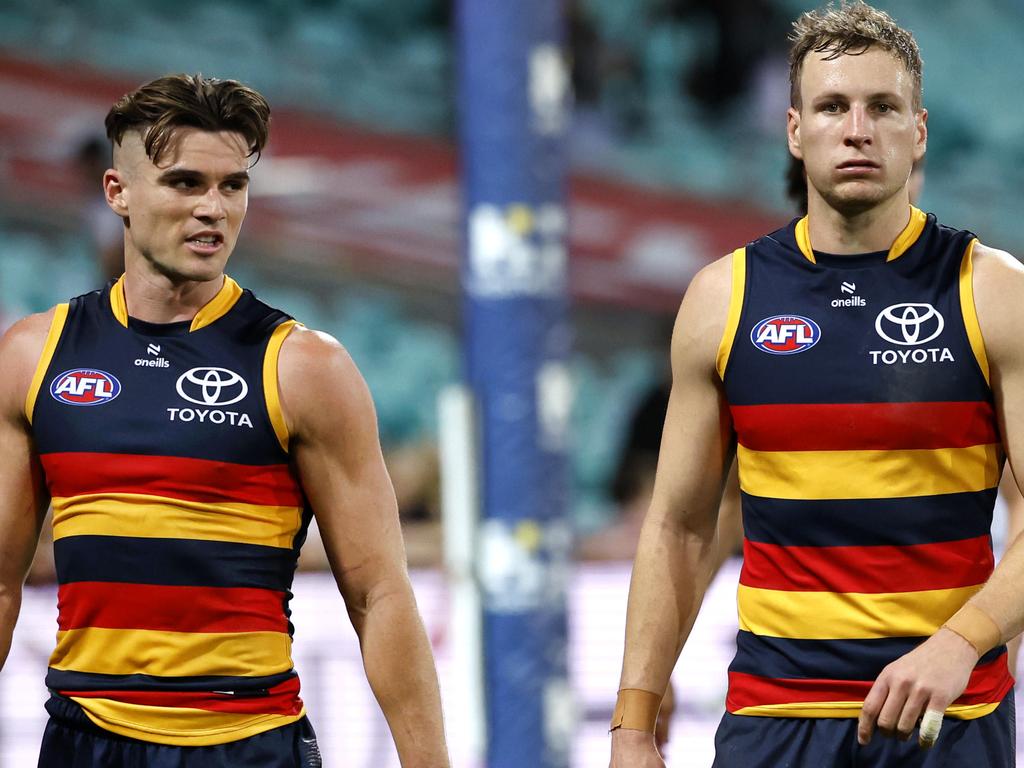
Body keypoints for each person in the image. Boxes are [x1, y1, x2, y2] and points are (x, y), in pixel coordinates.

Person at [609, 3, 1024, 766]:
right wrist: (633, 722)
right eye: (833, 107)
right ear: (796, 131)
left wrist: (961, 643)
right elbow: (678, 526)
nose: (857, 129)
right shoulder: (722, 301)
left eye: (883, 108)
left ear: (919, 130)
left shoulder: (992, 293)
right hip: (777, 718)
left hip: (947, 717)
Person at [0, 74, 450, 768]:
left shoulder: (303, 368)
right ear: (116, 192)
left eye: (232, 186)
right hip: (83, 742)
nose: (214, 209)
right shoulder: (34, 356)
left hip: (248, 747)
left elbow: (381, 594)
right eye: (185, 183)